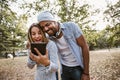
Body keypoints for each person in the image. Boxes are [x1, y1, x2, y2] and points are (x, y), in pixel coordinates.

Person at [36, 11, 90, 80]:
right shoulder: (49, 37)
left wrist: (86, 73)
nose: (45, 29)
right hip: (64, 70)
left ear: (54, 21)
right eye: (43, 27)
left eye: (47, 24)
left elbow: (84, 47)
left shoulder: (71, 27)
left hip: (78, 68)